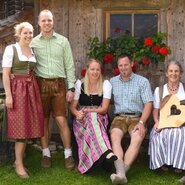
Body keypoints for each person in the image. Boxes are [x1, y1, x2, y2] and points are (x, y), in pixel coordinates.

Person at [30, 9, 76, 169]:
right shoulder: (33, 43)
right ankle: (46, 154)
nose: (47, 23)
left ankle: (68, 155)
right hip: (40, 85)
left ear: (53, 22)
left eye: (49, 20)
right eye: (43, 20)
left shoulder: (63, 41)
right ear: (39, 23)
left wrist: (71, 88)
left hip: (59, 85)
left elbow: (69, 65)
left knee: (61, 120)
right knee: (43, 122)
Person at [2, 22, 44, 179]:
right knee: (20, 127)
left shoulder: (32, 50)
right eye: (25, 33)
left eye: (31, 33)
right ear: (19, 34)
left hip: (30, 90)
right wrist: (9, 95)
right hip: (17, 90)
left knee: (27, 124)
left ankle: (18, 161)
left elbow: (32, 70)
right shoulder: (11, 49)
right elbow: (6, 74)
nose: (28, 36)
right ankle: (18, 164)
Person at [109, 55, 153, 184]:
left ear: (132, 64)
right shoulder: (112, 81)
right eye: (120, 65)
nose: (123, 68)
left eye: (126, 65)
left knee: (137, 138)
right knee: (115, 137)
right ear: (118, 67)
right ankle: (122, 174)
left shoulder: (142, 81)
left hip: (136, 118)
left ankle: (121, 174)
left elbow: (148, 103)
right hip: (119, 118)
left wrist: (141, 122)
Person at [70, 59, 117, 174]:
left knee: (93, 117)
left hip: (100, 116)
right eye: (92, 69)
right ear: (87, 70)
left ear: (100, 71)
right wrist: (78, 113)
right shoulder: (79, 84)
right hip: (82, 118)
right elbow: (72, 107)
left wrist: (89, 111)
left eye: (97, 69)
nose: (95, 72)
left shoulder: (106, 84)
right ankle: (106, 152)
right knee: (91, 119)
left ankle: (96, 158)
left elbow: (104, 109)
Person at [149, 61, 185, 173]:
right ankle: (161, 162)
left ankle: (179, 164)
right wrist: (156, 122)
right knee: (158, 134)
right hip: (164, 122)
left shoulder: (184, 89)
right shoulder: (159, 90)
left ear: (180, 73)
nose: (173, 73)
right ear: (166, 73)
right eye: (171, 71)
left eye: (176, 71)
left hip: (181, 123)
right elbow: (155, 110)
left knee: (179, 134)